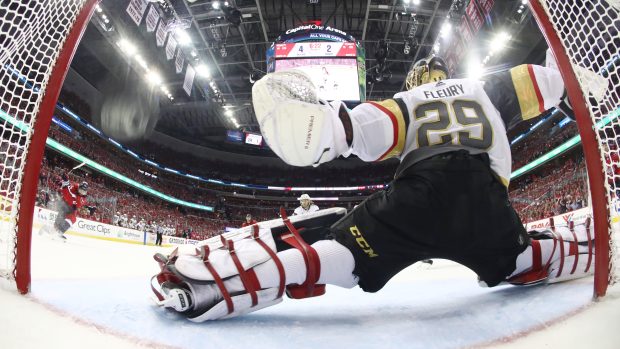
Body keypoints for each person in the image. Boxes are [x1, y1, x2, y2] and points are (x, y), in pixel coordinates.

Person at [150, 54, 591, 321]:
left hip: (419, 193)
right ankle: (580, 248)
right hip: (487, 199)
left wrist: (313, 120)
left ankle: (211, 287)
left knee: (335, 251)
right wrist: (577, 87)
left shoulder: (408, 101)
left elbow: (343, 132)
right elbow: (554, 81)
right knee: (519, 258)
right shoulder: (487, 88)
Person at [41, 173, 92, 240]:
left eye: (83, 192)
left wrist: (65, 183)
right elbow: (67, 192)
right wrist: (63, 183)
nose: (81, 193)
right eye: (81, 190)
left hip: (71, 210)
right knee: (57, 224)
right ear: (79, 187)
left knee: (73, 219)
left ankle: (59, 232)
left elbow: (69, 196)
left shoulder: (82, 199)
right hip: (64, 206)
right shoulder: (74, 187)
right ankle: (49, 229)